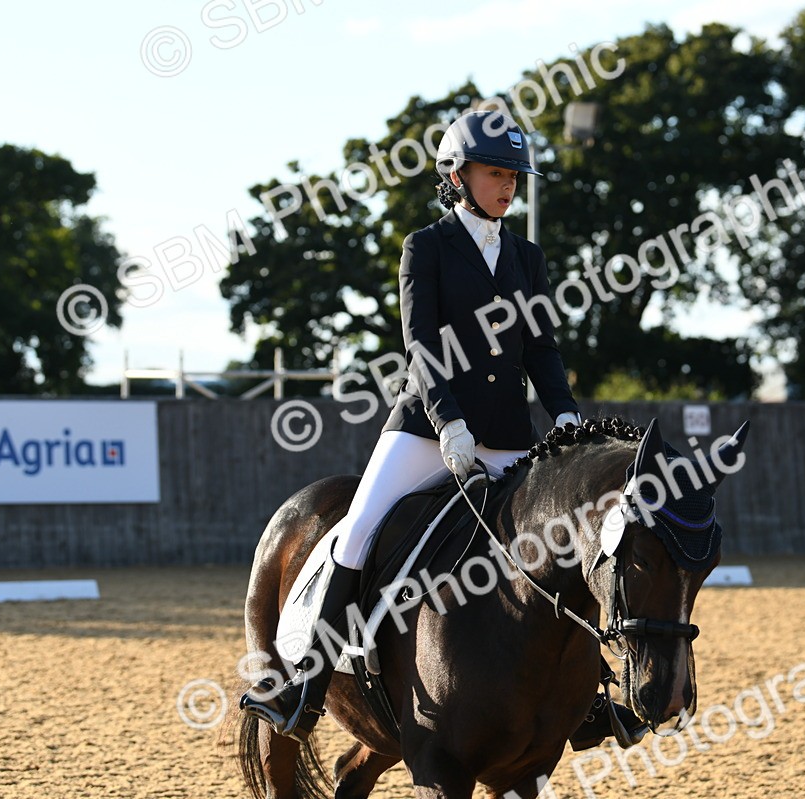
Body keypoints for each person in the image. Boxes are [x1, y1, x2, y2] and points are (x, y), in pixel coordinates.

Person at [241, 110, 641, 749]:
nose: (508, 185)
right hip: (426, 431)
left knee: (560, 544)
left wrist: (564, 414)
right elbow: (422, 346)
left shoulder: (527, 257)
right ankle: (306, 685)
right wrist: (448, 421)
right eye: (495, 173)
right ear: (457, 175)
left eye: (514, 175)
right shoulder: (425, 247)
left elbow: (541, 349)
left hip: (509, 436)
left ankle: (588, 694)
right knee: (358, 532)